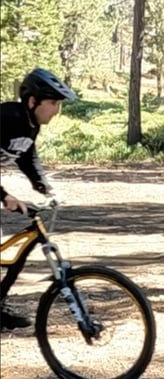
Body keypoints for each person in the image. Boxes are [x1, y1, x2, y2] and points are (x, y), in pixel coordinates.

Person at [1, 68, 77, 330]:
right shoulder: (7, 117)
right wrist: (4, 196)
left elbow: (27, 158)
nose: (56, 110)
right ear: (33, 101)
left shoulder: (30, 125)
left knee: (26, 241)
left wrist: (47, 189)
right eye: (53, 103)